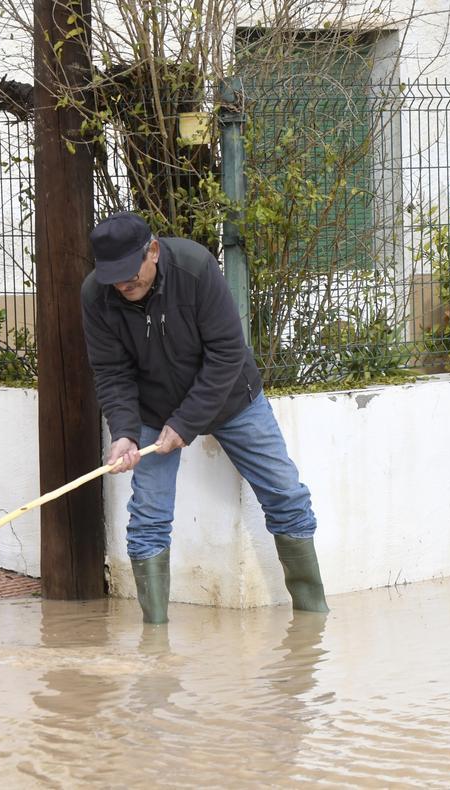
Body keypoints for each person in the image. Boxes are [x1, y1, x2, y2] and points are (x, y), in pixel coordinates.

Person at [80, 211, 329, 624]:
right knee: (147, 519)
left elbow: (227, 353)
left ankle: (313, 620)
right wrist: (123, 433)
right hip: (151, 410)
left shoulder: (194, 267)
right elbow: (112, 373)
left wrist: (186, 423)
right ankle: (154, 639)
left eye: (130, 272)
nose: (124, 284)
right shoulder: (96, 296)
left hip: (232, 399)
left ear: (153, 252)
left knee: (287, 495)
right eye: (113, 277)